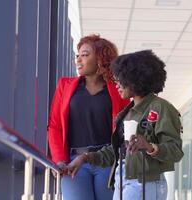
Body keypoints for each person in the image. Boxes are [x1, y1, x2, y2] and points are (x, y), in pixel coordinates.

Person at [67, 50, 184, 200]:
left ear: (135, 79)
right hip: (123, 180)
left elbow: (175, 151)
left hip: (145, 183)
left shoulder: (160, 108)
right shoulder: (127, 113)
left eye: (121, 79)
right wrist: (85, 158)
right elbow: (116, 151)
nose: (116, 84)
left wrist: (149, 146)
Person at [47, 34, 130, 200]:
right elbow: (55, 126)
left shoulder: (119, 89)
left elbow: (125, 128)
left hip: (108, 161)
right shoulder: (65, 86)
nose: (78, 60)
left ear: (101, 59)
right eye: (77, 56)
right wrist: (59, 160)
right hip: (72, 162)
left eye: (84, 55)